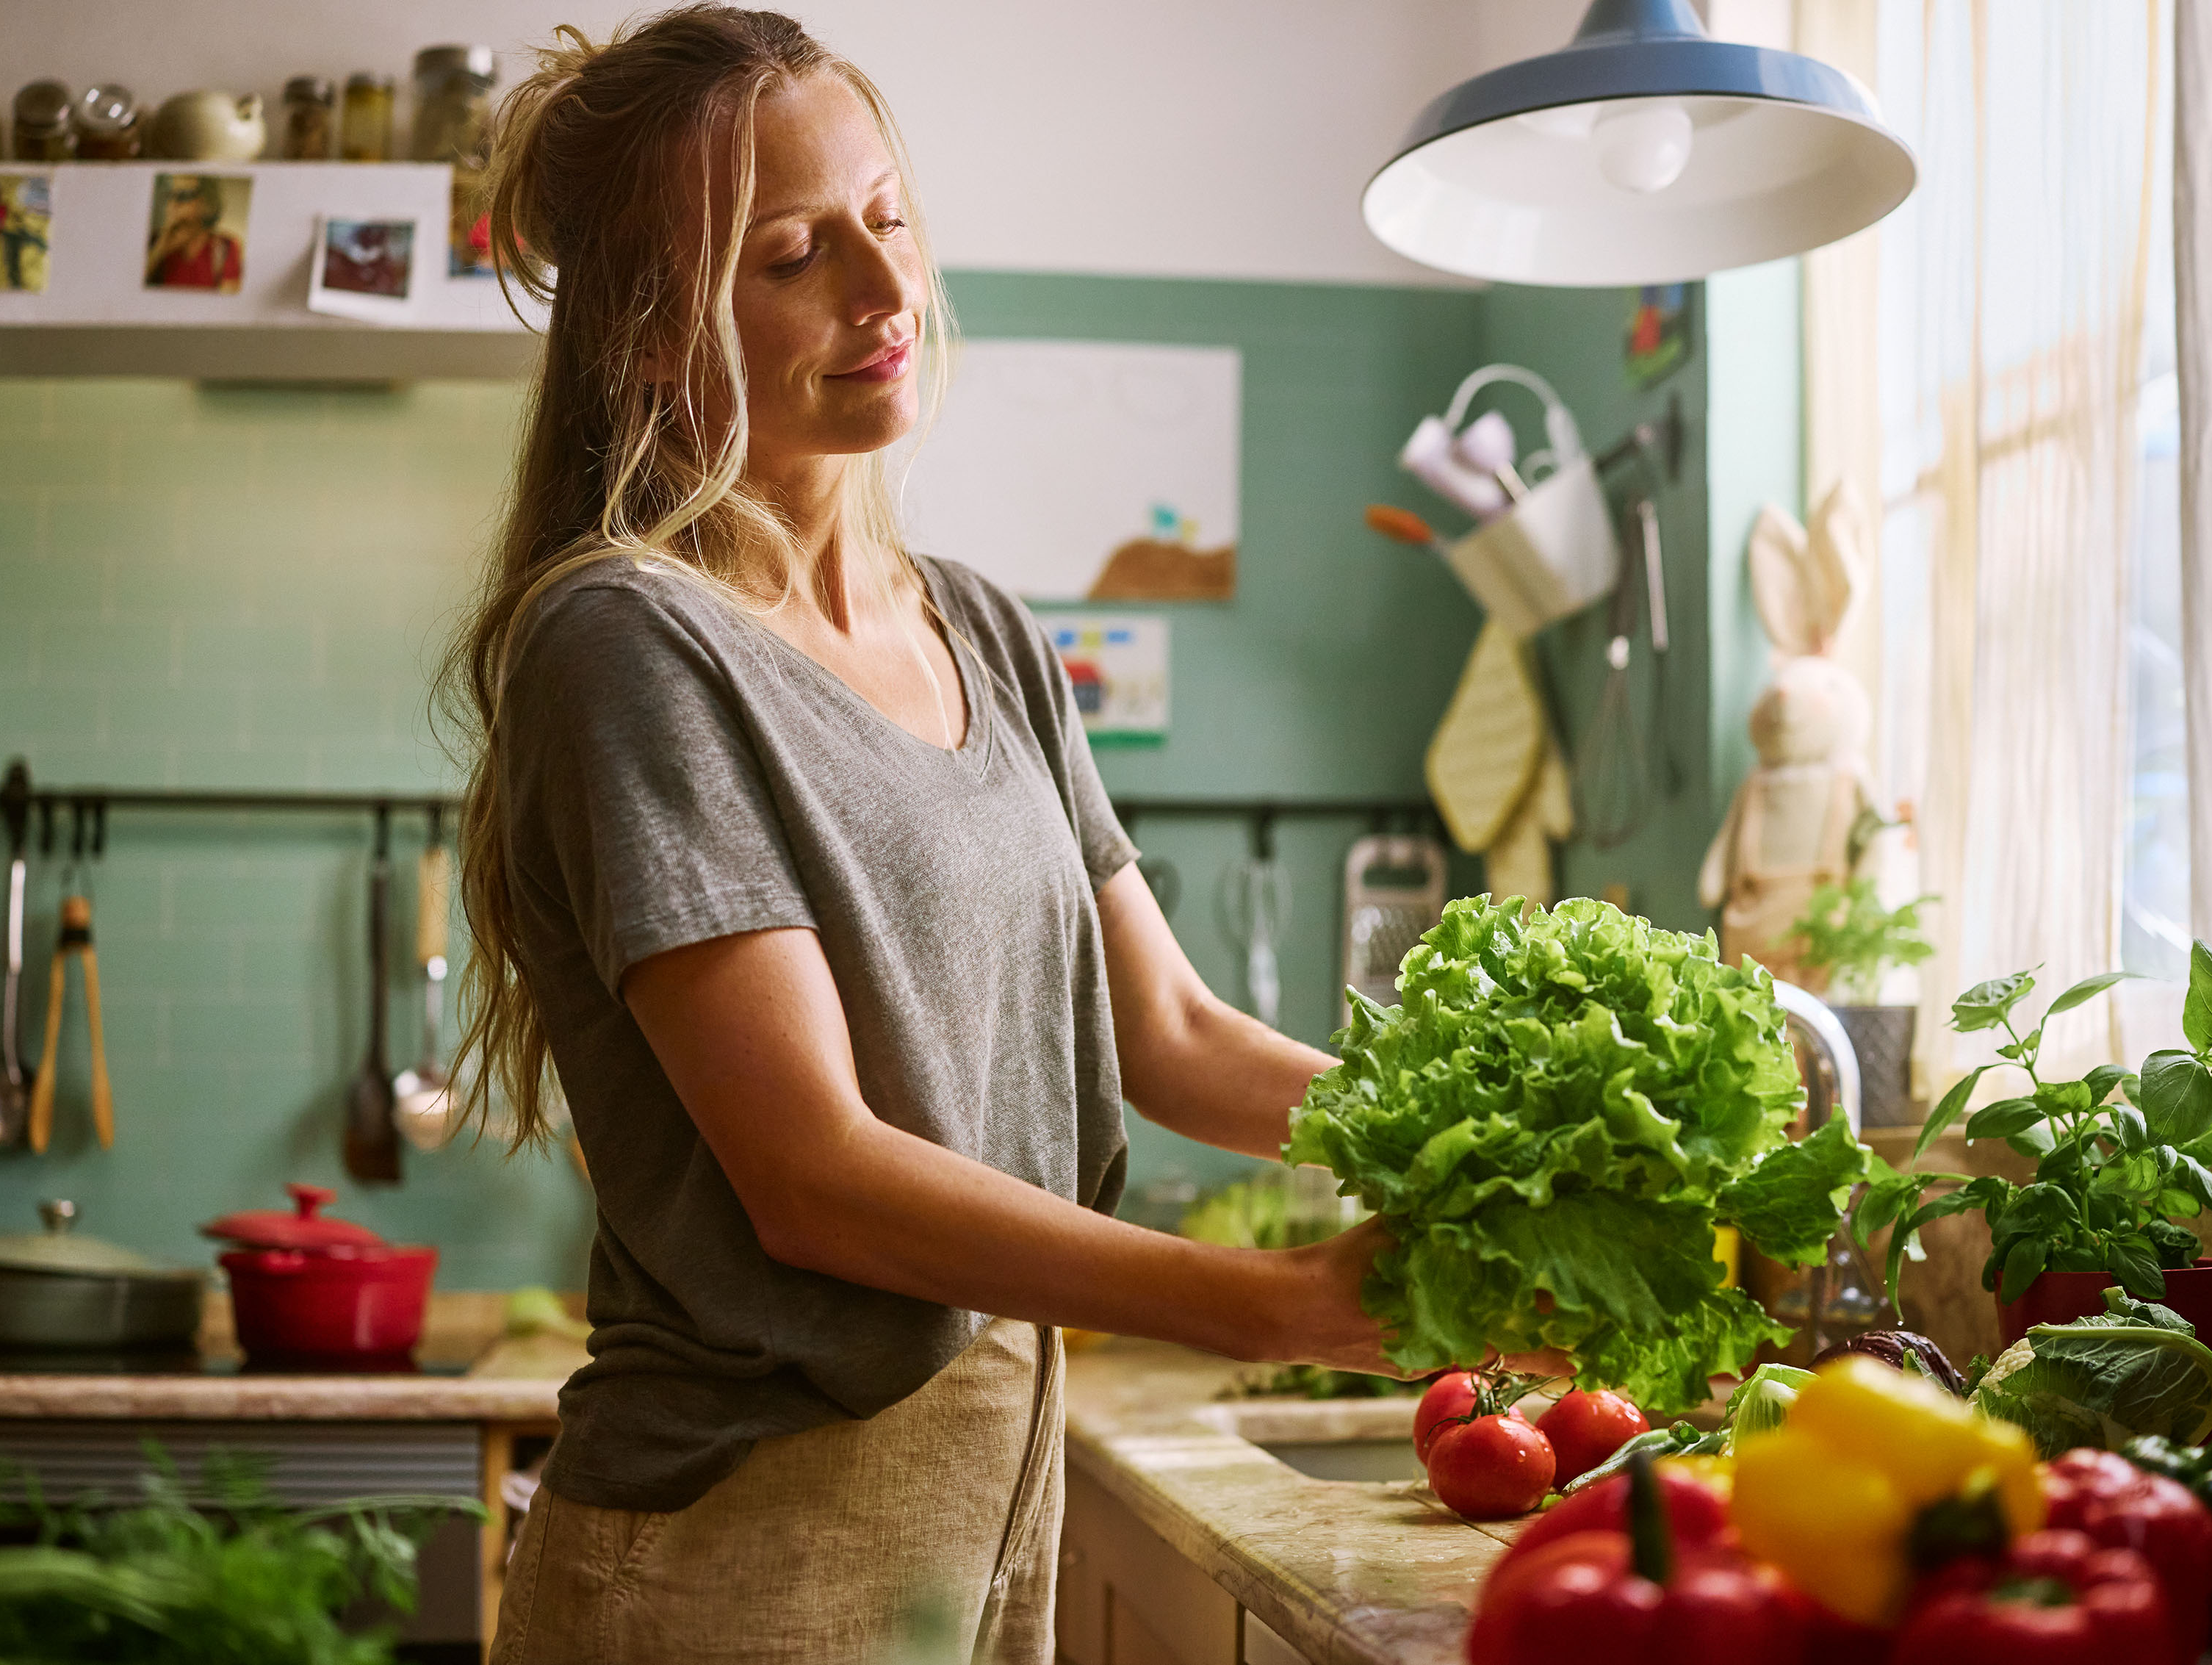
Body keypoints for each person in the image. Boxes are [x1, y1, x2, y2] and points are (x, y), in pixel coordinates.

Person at [444, 8, 1513, 1661]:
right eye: (794, 255)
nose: (887, 292)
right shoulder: (630, 645)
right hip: (740, 1533)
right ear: (651, 337)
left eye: (887, 218)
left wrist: (1480, 1152)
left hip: (994, 1474)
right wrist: (1282, 1302)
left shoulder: (987, 629)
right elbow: (816, 1180)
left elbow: (1168, 1034)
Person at [144, 174, 242, 291]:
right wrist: (160, 250)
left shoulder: (226, 246)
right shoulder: (153, 240)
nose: (173, 203)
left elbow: (229, 294)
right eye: (170, 195)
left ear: (207, 202)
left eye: (184, 196)